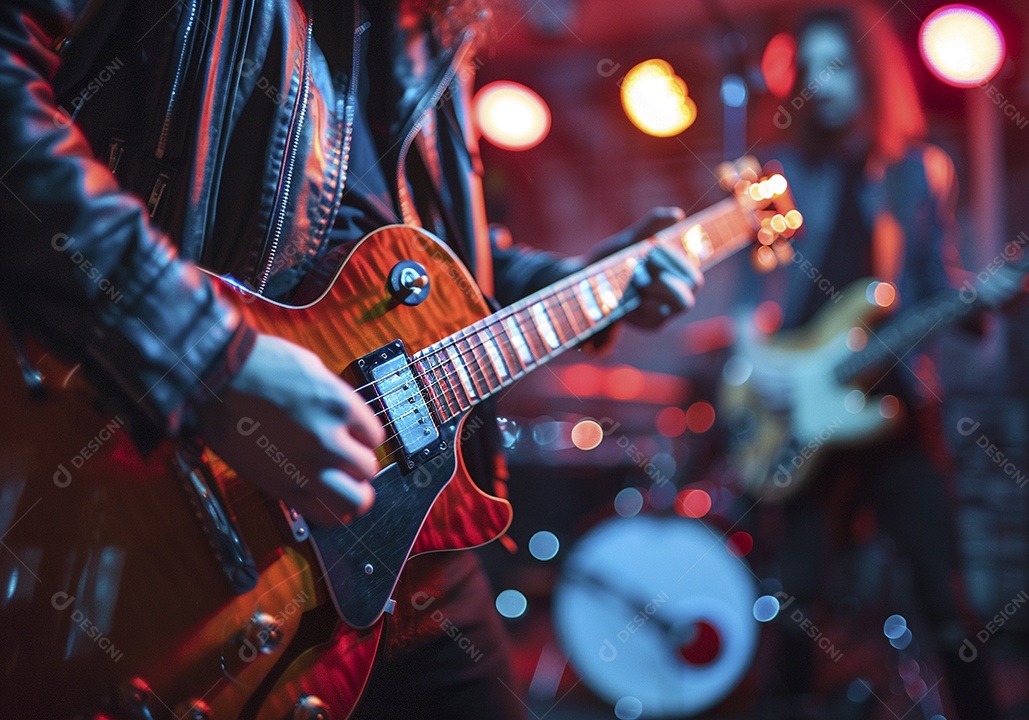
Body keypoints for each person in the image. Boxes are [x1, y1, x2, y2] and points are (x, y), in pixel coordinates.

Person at [0, 0, 701, 717]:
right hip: (166, 485)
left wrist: (581, 286)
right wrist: (212, 357)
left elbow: (421, 259)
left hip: (411, 530)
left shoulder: (430, 24)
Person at [737, 6, 1002, 720]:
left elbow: (937, 280)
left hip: (898, 403)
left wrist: (983, 300)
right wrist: (755, 359)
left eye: (838, 64)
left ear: (873, 72)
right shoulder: (781, 170)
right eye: (811, 66)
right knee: (796, 595)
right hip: (799, 401)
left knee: (944, 593)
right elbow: (750, 287)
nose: (822, 83)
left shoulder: (919, 168)